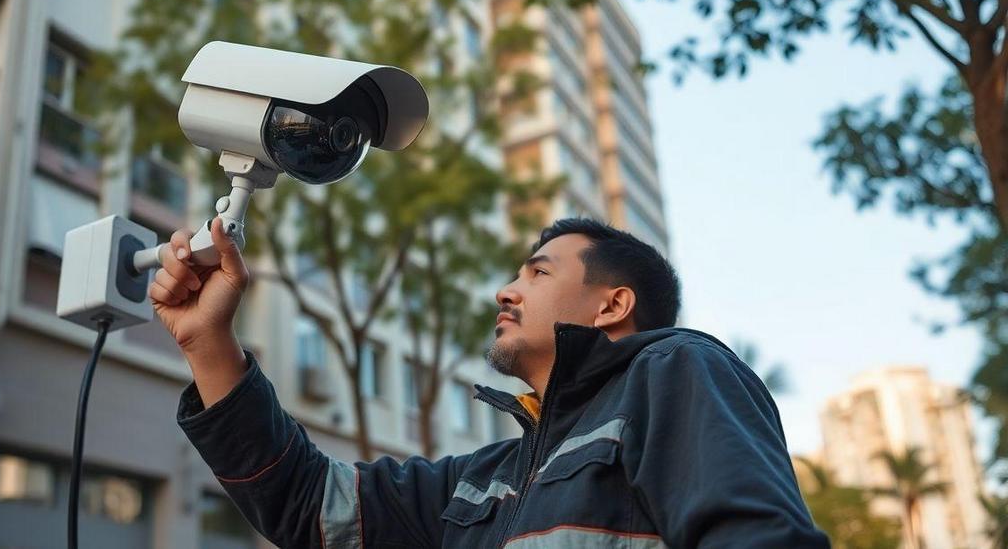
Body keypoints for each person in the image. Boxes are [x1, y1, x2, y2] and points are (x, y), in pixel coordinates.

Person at [152, 216, 830, 548]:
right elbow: (309, 504)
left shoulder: (675, 368)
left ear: (612, 305)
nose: (505, 290)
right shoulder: (480, 484)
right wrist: (207, 342)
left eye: (539, 272)